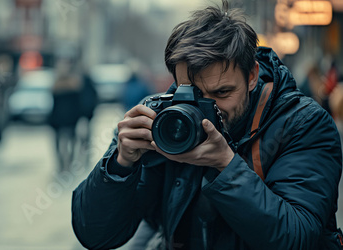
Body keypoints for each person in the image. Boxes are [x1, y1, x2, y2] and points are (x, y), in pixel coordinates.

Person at [71, 1, 343, 249]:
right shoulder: (163, 122)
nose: (209, 109)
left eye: (222, 93)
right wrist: (120, 165)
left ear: (251, 76)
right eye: (194, 95)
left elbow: (296, 238)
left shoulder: (304, 124)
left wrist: (225, 166)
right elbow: (96, 236)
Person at [50, 60, 81, 172]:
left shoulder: (56, 86)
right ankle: (69, 161)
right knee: (71, 141)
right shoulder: (74, 85)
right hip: (70, 118)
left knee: (59, 142)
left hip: (59, 118)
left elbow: (54, 105)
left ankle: (62, 163)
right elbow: (78, 104)